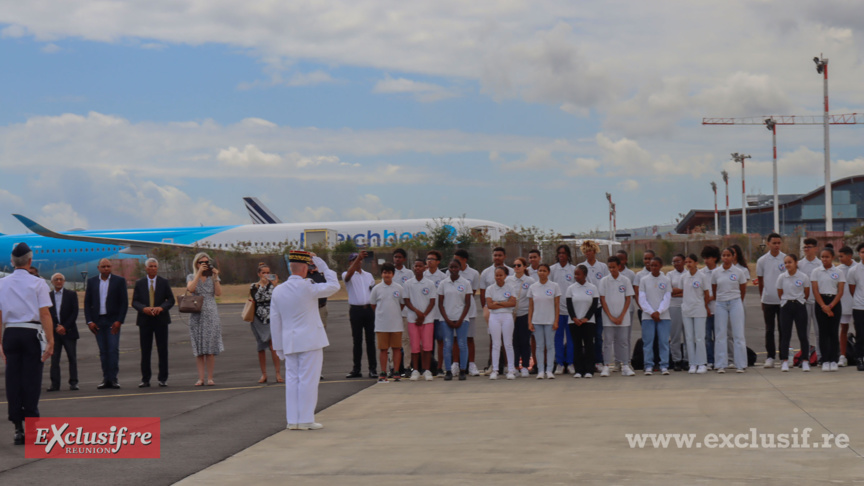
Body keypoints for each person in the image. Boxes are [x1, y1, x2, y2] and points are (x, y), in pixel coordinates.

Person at [270, 251, 340, 430]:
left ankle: (293, 420)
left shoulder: (278, 290)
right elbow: (334, 285)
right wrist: (320, 263)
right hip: (310, 340)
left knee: (292, 380)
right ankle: (306, 419)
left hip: (289, 341)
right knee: (308, 380)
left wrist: (278, 347)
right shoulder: (308, 286)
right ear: (304, 268)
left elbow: (275, 320)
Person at [0, 243, 54, 445]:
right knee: (31, 380)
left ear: (12, 262)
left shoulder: (2, 284)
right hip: (31, 333)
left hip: (11, 332)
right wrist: (50, 340)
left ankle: (17, 428)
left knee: (13, 380)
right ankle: (32, 426)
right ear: (30, 261)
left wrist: (0, 343)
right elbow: (44, 313)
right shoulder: (38, 283)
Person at [84, 258, 128, 389]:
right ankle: (106, 379)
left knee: (113, 350)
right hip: (98, 321)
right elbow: (87, 303)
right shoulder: (92, 282)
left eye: (108, 266)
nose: (106, 269)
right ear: (98, 268)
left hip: (112, 321)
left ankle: (113, 379)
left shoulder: (119, 281)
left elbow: (124, 303)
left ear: (111, 267)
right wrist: (89, 321)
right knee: (103, 351)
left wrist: (119, 321)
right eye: (103, 266)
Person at [131, 258, 175, 388]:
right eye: (151, 266)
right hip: (145, 320)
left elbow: (171, 300)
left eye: (155, 266)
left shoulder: (163, 282)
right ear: (146, 268)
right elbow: (134, 301)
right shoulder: (140, 283)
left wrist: (161, 308)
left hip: (160, 320)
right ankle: (145, 379)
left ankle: (163, 378)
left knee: (162, 350)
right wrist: (143, 309)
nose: (153, 268)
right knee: (145, 351)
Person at [186, 252, 224, 386]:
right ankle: (201, 378)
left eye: (206, 262)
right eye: (202, 262)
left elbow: (218, 293)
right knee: (199, 349)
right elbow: (190, 289)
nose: (204, 264)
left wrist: (215, 276)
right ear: (196, 263)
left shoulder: (212, 277)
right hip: (197, 313)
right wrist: (198, 273)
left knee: (210, 348)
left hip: (210, 312)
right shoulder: (191, 276)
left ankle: (210, 377)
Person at [711, 248, 748, 373]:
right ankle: (721, 364)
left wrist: (737, 300)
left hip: (735, 302)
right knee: (720, 333)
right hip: (720, 303)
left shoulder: (739, 272)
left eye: (728, 255)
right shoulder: (716, 272)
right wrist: (720, 300)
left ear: (733, 257)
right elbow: (714, 288)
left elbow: (742, 289)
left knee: (738, 333)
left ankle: (740, 364)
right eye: (724, 255)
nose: (726, 258)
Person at [598, 256, 635, 377]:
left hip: (623, 318)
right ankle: (607, 365)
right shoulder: (604, 281)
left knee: (623, 341)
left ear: (619, 266)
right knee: (608, 341)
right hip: (608, 318)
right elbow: (602, 299)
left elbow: (628, 298)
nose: (612, 270)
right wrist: (611, 316)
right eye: (610, 267)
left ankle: (625, 365)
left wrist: (621, 316)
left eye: (614, 267)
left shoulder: (625, 280)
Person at [343, 251, 377, 379]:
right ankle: (356, 369)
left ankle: (372, 368)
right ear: (350, 262)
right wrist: (358, 259)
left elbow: (373, 291)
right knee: (357, 341)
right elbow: (347, 277)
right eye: (354, 260)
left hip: (368, 310)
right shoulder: (348, 274)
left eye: (359, 260)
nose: (358, 262)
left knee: (370, 341)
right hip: (356, 310)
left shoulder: (368, 276)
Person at [479, 246, 513, 375]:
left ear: (504, 256)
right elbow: (482, 292)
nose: (497, 257)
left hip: (507, 311)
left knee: (507, 339)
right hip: (490, 310)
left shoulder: (511, 271)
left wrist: (503, 305)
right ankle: (493, 365)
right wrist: (486, 307)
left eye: (499, 255)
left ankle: (507, 366)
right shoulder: (486, 272)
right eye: (495, 255)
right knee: (493, 338)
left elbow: (511, 294)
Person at [437, 259, 472, 381]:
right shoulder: (443, 283)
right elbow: (440, 304)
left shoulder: (466, 283)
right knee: (447, 345)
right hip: (446, 319)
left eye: (456, 267)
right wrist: (447, 319)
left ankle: (462, 370)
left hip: (462, 319)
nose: (453, 270)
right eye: (451, 267)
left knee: (462, 344)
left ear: (460, 268)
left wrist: (461, 319)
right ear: (448, 268)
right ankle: (448, 371)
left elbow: (467, 303)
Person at [369, 263, 405, 383]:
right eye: (385, 272)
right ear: (382, 274)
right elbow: (373, 305)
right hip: (382, 324)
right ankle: (383, 372)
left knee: (396, 348)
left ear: (393, 274)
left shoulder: (399, 288)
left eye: (389, 273)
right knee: (383, 349)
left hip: (396, 324)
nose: (387, 275)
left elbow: (402, 304)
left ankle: (396, 371)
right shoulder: (377, 289)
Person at [811, 247, 845, 372]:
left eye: (827, 257)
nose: (824, 259)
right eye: (822, 257)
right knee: (823, 333)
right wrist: (823, 307)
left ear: (832, 258)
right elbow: (815, 290)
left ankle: (833, 360)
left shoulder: (838, 271)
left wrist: (830, 306)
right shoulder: (816, 271)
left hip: (834, 302)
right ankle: (825, 360)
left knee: (833, 332)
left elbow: (840, 291)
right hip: (821, 302)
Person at [248, 263, 282, 384]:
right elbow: (258, 298)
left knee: (273, 345)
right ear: (259, 274)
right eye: (264, 273)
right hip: (258, 318)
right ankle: (264, 374)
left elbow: (275, 298)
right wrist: (262, 285)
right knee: (261, 346)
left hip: (271, 318)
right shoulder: (254, 286)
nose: (266, 275)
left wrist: (273, 285)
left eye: (268, 273)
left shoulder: (274, 286)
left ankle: (278, 373)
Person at [776, 254, 811, 372]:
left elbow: (806, 292)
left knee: (803, 335)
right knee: (785, 335)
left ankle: (805, 360)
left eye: (790, 262)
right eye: (785, 263)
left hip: (799, 305)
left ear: (796, 263)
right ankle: (785, 360)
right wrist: (787, 301)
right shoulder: (782, 277)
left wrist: (799, 301)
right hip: (786, 306)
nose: (787, 265)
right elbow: (780, 292)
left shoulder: (803, 277)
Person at [403, 259, 436, 381]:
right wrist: (417, 313)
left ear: (424, 268)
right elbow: (406, 300)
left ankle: (426, 370)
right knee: (415, 347)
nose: (417, 268)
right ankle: (415, 370)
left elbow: (432, 302)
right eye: (415, 266)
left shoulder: (430, 283)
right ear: (413, 268)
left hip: (427, 320)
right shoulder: (408, 283)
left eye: (420, 266)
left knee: (427, 347)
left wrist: (423, 315)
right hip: (413, 319)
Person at [756, 233, 785, 369]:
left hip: (783, 301)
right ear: (768, 244)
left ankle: (784, 357)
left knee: (783, 329)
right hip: (768, 300)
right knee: (769, 330)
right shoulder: (762, 261)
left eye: (779, 243)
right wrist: (762, 298)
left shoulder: (785, 258)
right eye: (774, 243)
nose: (776, 245)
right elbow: (760, 281)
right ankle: (770, 357)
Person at [639, 257, 673, 375]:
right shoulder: (644, 280)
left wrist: (659, 311)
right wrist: (651, 312)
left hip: (663, 316)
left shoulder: (666, 280)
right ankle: (648, 365)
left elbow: (667, 298)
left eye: (655, 265)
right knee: (648, 342)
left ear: (660, 266)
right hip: (648, 317)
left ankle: (664, 365)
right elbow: (642, 299)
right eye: (651, 265)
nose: (653, 267)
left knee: (663, 341)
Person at [47, 273, 79, 391]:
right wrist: (56, 327)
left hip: (69, 332)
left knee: (72, 358)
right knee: (54, 359)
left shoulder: (71, 295)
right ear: (52, 282)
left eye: (61, 279)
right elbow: (47, 314)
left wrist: (64, 327)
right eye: (56, 279)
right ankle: (55, 384)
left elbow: (74, 312)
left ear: (64, 281)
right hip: (55, 333)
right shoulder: (48, 296)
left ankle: (74, 382)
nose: (59, 281)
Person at [528, 263, 560, 379]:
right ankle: (540, 370)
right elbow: (530, 306)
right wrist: (530, 322)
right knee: (539, 346)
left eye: (544, 271)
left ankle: (549, 370)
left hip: (550, 321)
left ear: (548, 273)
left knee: (550, 346)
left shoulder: (554, 286)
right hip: (537, 321)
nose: (542, 273)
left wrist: (556, 320)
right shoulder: (533, 287)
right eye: (540, 270)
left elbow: (557, 305)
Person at [566, 265, 599, 379]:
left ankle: (589, 370)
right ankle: (579, 370)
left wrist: (586, 318)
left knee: (589, 345)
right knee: (577, 346)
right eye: (575, 274)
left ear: (585, 275)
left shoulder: (592, 287)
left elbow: (594, 305)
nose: (576, 276)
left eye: (578, 274)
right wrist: (574, 318)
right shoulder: (571, 288)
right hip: (574, 322)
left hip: (588, 322)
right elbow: (569, 305)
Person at [581, 240, 608, 371]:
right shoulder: (581, 266)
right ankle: (588, 361)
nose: (588, 253)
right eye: (586, 251)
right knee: (587, 337)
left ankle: (599, 361)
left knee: (598, 335)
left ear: (595, 251)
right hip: (586, 307)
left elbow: (607, 284)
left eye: (590, 250)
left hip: (598, 306)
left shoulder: (602, 267)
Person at [452, 249, 481, 376]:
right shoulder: (451, 271)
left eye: (457, 259)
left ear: (464, 260)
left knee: (469, 338)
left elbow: (472, 292)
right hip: (453, 310)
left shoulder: (474, 273)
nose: (455, 262)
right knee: (455, 339)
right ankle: (456, 364)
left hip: (469, 310)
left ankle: (471, 364)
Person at [486, 267, 517, 380]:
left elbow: (513, 303)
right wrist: (505, 302)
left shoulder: (510, 287)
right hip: (494, 317)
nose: (498, 277)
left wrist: (498, 302)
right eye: (496, 275)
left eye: (501, 275)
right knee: (496, 344)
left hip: (507, 316)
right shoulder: (490, 289)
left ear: (505, 276)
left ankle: (511, 370)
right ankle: (495, 370)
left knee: (508, 343)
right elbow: (490, 305)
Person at [681, 255, 711, 374]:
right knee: (689, 338)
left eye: (690, 262)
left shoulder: (702, 276)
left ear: (696, 263)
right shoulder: (684, 277)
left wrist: (704, 305)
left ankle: (701, 363)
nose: (688, 264)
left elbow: (707, 294)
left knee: (699, 338)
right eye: (687, 262)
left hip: (699, 310)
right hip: (687, 310)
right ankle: (692, 363)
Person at [549, 244, 576, 374]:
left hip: (571, 311)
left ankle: (570, 363)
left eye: (564, 253)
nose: (561, 255)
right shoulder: (552, 270)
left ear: (568, 255)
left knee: (571, 339)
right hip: (557, 311)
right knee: (558, 338)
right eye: (559, 253)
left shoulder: (574, 269)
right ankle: (559, 363)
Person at [507, 257, 535, 377]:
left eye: (519, 265)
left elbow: (532, 300)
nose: (516, 268)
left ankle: (524, 366)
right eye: (514, 266)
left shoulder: (530, 281)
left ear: (524, 267)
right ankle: (514, 366)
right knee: (513, 341)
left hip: (525, 314)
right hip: (511, 315)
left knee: (524, 341)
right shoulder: (508, 280)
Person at [423, 250, 447, 375]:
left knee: (440, 341)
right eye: (428, 259)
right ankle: (429, 367)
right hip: (427, 315)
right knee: (427, 343)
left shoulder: (443, 277)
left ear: (438, 262)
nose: (429, 261)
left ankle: (439, 366)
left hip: (439, 314)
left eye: (432, 259)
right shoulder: (423, 276)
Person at [798, 238, 822, 362]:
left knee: (819, 331)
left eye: (809, 247)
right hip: (804, 302)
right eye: (805, 247)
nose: (807, 249)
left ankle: (819, 356)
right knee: (804, 332)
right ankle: (805, 356)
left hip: (818, 302)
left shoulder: (820, 264)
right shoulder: (800, 264)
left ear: (816, 248)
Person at [392, 248, 413, 375]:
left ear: (404, 259)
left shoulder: (409, 273)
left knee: (406, 340)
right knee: (393, 342)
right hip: (392, 312)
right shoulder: (390, 271)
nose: (397, 259)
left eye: (400, 257)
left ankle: (407, 366)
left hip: (405, 312)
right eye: (395, 257)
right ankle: (393, 367)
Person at [700, 245, 720, 370]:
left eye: (708, 258)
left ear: (715, 258)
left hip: (719, 309)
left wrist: (713, 297)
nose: (706, 261)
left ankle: (719, 360)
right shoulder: (701, 273)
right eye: (704, 258)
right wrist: (706, 302)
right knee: (707, 337)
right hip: (706, 310)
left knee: (719, 336)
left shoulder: (720, 271)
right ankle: (710, 360)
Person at [837, 246, 857, 367]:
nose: (839, 259)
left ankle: (860, 354)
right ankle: (843, 356)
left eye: (841, 256)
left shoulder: (858, 267)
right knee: (843, 329)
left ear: (849, 256)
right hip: (843, 304)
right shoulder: (838, 269)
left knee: (860, 331)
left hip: (857, 304)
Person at [667, 254, 687, 371]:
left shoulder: (688, 274)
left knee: (688, 334)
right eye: (674, 262)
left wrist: (677, 292)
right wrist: (684, 291)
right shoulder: (669, 275)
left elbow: (691, 291)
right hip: (674, 306)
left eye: (678, 261)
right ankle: (676, 360)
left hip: (687, 305)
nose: (676, 264)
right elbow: (669, 291)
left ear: (684, 261)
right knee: (675, 335)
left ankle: (687, 359)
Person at [846, 243, 864, 371]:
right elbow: (852, 289)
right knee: (860, 334)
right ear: (859, 254)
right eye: (862, 252)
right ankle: (859, 358)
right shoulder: (854, 270)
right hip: (859, 306)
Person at [527, 249, 542, 373]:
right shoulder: (527, 271)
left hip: (544, 307)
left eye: (535, 257)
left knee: (546, 338)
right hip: (531, 307)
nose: (532, 259)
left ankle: (547, 362)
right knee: (533, 337)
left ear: (540, 258)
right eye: (530, 257)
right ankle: (536, 363)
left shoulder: (545, 269)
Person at [307, 262, 330, 329]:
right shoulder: (304, 275)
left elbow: (331, 283)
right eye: (309, 264)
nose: (311, 265)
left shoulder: (322, 274)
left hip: (321, 307)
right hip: (309, 308)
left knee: (322, 329)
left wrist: (320, 271)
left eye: (313, 263)